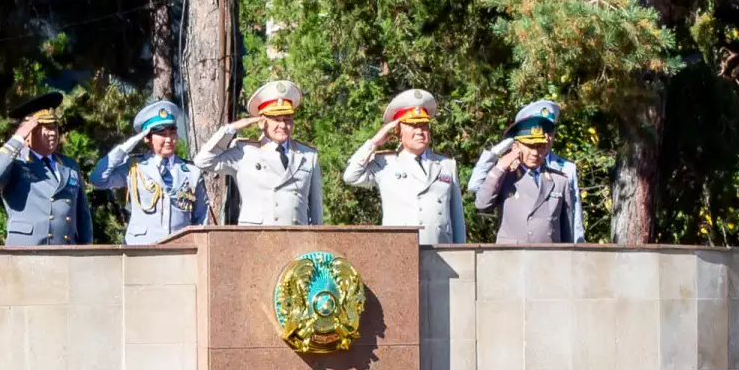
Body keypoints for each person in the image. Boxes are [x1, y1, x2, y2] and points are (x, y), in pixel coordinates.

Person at [342, 88, 466, 244]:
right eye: (413, 126)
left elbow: (457, 219)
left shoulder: (446, 164)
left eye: (424, 126)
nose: (420, 132)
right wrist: (374, 142)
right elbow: (350, 176)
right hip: (400, 252)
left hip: (440, 253)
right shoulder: (385, 163)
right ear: (398, 131)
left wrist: (460, 253)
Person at [193, 79, 323, 226]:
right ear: (262, 122)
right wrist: (230, 129)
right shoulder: (245, 151)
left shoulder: (307, 155)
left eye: (287, 119)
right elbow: (203, 161)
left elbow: (316, 208)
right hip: (255, 238)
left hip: (296, 239)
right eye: (276, 119)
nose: (282, 125)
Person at [88, 100, 210, 243]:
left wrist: (197, 245)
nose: (169, 139)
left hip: (179, 250)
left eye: (172, 133)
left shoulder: (191, 171)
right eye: (162, 134)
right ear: (147, 138)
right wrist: (125, 147)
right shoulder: (134, 167)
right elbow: (97, 179)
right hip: (141, 248)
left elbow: (201, 215)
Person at [468, 100, 584, 243]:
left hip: (550, 259)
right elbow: (482, 203)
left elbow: (568, 231)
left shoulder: (560, 180)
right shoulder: (505, 176)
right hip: (512, 257)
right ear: (516, 146)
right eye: (530, 146)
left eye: (540, 146)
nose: (536, 152)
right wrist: (499, 166)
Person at [0, 92, 92, 246]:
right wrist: (18, 137)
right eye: (45, 128)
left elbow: (83, 216)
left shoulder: (68, 165)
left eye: (54, 127)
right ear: (29, 132)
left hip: (65, 253)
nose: (52, 133)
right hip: (26, 251)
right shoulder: (16, 163)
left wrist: (87, 251)